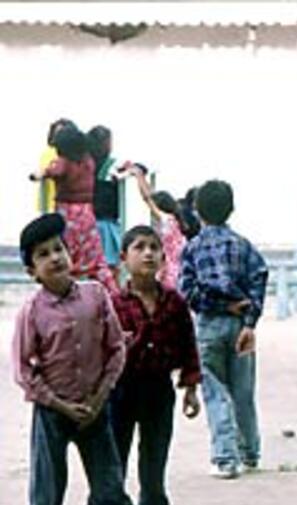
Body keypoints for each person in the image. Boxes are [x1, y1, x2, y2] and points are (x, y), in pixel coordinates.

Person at [12, 213, 132, 505]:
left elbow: (116, 347)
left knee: (109, 489)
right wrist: (59, 404)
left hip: (95, 407)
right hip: (53, 411)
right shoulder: (32, 312)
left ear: (70, 254)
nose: (54, 257)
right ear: (32, 272)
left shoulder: (96, 296)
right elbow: (23, 369)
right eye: (43, 254)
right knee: (47, 490)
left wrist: (99, 397)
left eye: (58, 249)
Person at [178, 179, 269, 479]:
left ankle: (225, 459)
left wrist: (218, 305)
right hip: (241, 325)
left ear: (196, 210)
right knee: (243, 391)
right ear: (231, 209)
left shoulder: (192, 248)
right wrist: (249, 319)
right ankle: (250, 452)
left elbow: (187, 292)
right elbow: (259, 277)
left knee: (215, 392)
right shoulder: (243, 245)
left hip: (209, 326)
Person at [110, 225, 202, 505]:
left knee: (154, 461)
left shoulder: (174, 303)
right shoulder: (113, 304)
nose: (148, 253)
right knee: (114, 461)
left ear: (163, 256)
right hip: (121, 391)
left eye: (154, 247)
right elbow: (101, 351)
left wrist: (190, 388)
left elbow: (188, 345)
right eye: (139, 247)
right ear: (124, 257)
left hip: (159, 391)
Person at [31, 126, 119, 294]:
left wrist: (39, 174)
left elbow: (53, 171)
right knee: (95, 258)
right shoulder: (88, 162)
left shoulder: (64, 163)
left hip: (68, 213)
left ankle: (67, 294)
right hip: (87, 212)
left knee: (67, 255)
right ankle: (112, 294)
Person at [129, 164, 190, 290]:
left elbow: (148, 199)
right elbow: (151, 196)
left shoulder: (166, 220)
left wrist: (139, 176)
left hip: (169, 271)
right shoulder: (178, 221)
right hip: (179, 270)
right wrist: (143, 179)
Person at [87, 125, 125, 279]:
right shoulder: (112, 165)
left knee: (92, 268)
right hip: (107, 221)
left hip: (90, 220)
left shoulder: (85, 165)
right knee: (112, 267)